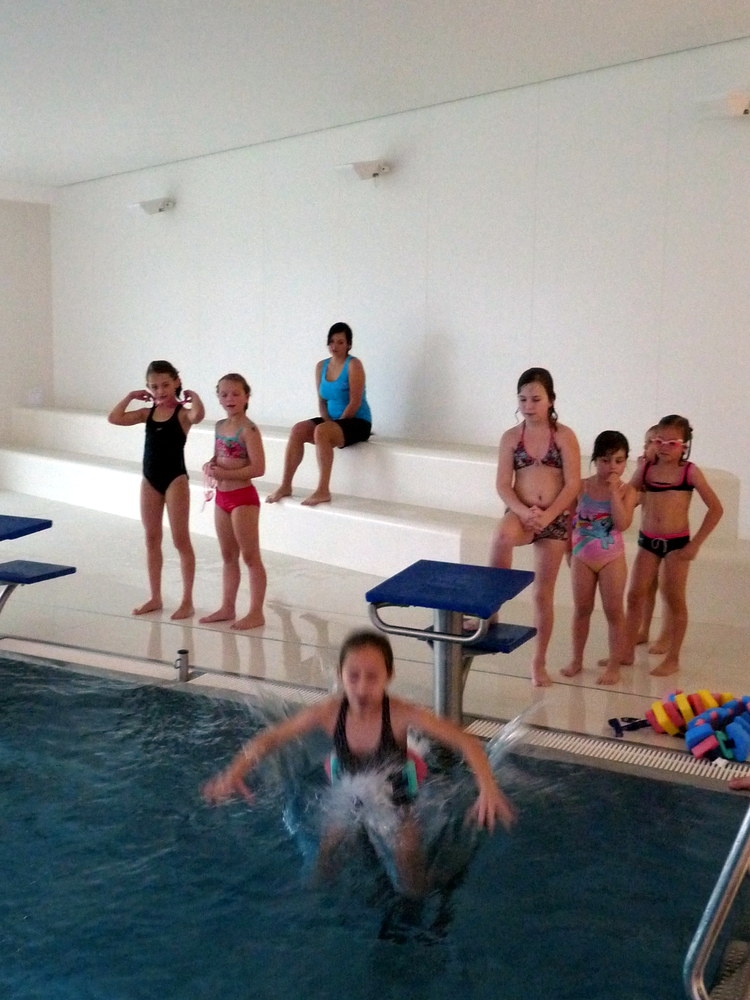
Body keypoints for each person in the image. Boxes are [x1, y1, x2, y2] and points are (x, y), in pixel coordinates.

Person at [202, 629, 516, 898]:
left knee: (411, 873)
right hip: (349, 780)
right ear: (340, 675)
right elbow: (271, 738)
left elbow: (465, 741)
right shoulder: (328, 713)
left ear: (388, 677)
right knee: (325, 862)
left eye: (372, 677)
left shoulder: (400, 713)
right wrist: (234, 773)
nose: (362, 687)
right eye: (353, 676)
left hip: (395, 784)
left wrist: (487, 788)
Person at [490, 367, 581, 687]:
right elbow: (503, 484)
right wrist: (522, 511)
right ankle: (491, 612)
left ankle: (538, 662)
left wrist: (550, 514)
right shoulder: (511, 438)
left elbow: (572, 484)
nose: (528, 406)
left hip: (553, 518)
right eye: (523, 399)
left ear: (551, 400)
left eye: (536, 399)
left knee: (543, 594)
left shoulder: (565, 437)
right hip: (521, 513)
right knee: (501, 535)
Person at [622, 414, 723, 676]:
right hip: (648, 542)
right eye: (659, 441)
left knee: (674, 598)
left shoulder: (689, 472)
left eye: (671, 443)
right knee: (634, 594)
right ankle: (626, 649)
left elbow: (716, 509)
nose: (664, 447)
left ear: (684, 446)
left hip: (676, 545)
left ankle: (673, 658)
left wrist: (696, 544)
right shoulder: (647, 469)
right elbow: (628, 494)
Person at [108, 360, 205, 619]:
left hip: (175, 480)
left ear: (176, 382)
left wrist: (194, 397)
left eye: (165, 385)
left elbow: (198, 416)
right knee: (151, 538)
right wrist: (130, 396)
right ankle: (155, 597)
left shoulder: (182, 414)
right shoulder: (146, 413)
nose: (160, 391)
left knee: (180, 540)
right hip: (150, 480)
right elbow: (114, 418)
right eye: (154, 386)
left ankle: (187, 601)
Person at [265, 322, 371, 506]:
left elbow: (355, 402)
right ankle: (286, 485)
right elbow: (322, 401)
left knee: (322, 431)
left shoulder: (354, 365)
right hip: (332, 420)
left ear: (349, 345)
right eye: (332, 342)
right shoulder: (321, 366)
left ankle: (323, 490)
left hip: (356, 421)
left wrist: (335, 426)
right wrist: (330, 422)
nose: (335, 346)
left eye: (340, 342)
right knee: (298, 430)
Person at [561, 431, 637, 685]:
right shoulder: (580, 486)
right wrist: (568, 551)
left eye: (619, 461)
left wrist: (614, 493)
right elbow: (569, 521)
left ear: (625, 462)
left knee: (614, 612)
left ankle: (614, 665)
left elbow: (623, 523)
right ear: (595, 460)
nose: (612, 467)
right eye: (605, 460)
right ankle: (576, 659)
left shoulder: (628, 491)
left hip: (611, 558)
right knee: (581, 610)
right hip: (582, 556)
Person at [199, 374, 267, 630]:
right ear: (218, 398)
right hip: (222, 497)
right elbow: (218, 456)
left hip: (242, 499)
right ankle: (227, 607)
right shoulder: (219, 426)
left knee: (250, 556)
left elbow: (258, 468)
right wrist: (210, 465)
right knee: (228, 556)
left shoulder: (249, 430)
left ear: (247, 397)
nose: (230, 398)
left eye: (236, 394)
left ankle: (256, 612)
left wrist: (225, 474)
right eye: (224, 394)